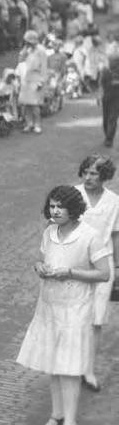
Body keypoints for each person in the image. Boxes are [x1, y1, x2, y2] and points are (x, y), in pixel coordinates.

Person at [18, 186, 112, 425]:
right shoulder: (49, 232)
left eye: (60, 206)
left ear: (74, 209)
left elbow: (104, 274)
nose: (55, 211)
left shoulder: (90, 235)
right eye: (52, 206)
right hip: (49, 307)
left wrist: (70, 272)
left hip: (75, 309)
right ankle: (57, 415)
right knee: (53, 363)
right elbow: (41, 259)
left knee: (69, 368)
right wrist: (39, 267)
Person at [76, 155, 119, 392]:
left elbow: (115, 235)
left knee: (96, 320)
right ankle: (71, 365)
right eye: (85, 172)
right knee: (73, 316)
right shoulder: (72, 195)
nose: (88, 177)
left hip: (103, 265)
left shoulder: (114, 201)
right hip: (76, 263)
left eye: (93, 173)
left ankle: (88, 370)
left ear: (104, 176)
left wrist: (118, 269)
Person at [18, 29, 48, 133]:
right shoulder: (27, 50)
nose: (27, 43)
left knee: (35, 104)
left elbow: (44, 66)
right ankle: (29, 123)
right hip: (27, 77)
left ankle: (37, 124)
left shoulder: (41, 50)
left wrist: (42, 81)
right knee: (27, 104)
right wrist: (24, 50)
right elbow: (20, 60)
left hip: (37, 77)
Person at [102, 57, 119, 148]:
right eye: (110, 61)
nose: (111, 63)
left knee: (112, 118)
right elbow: (101, 84)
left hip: (116, 98)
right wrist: (99, 95)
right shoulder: (105, 71)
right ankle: (107, 136)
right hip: (106, 97)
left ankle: (109, 139)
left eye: (113, 62)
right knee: (106, 119)